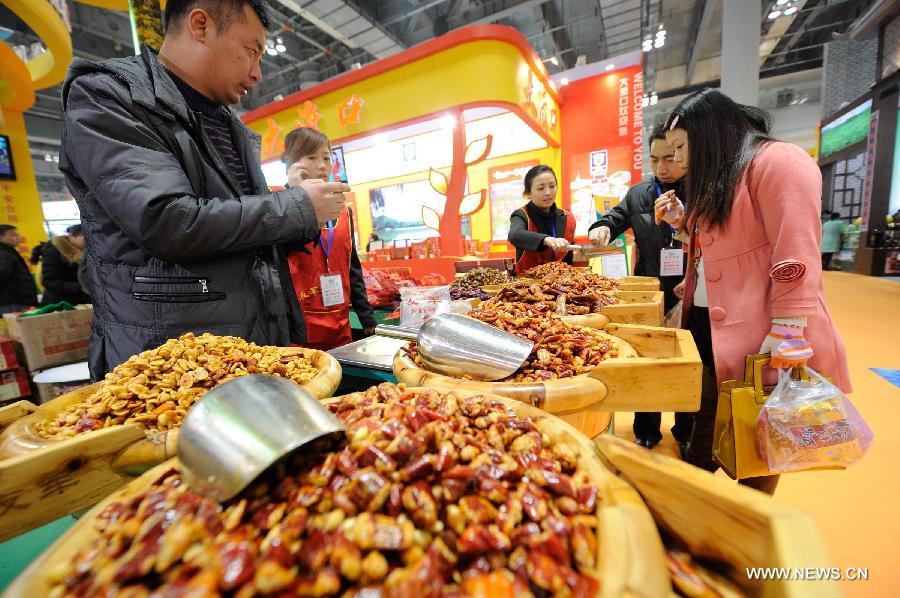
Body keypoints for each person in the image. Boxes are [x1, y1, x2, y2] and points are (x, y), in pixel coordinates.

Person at [59, 0, 350, 379]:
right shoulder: (109, 96)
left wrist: (300, 223)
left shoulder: (224, 123)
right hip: (169, 366)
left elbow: (237, 234)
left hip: (243, 353)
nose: (257, 73)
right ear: (200, 26)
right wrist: (296, 209)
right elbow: (166, 221)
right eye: (251, 51)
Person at [657, 89, 850, 494]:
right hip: (709, 326)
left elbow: (796, 249)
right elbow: (719, 247)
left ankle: (748, 524)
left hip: (762, 332)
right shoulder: (722, 177)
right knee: (707, 417)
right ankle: (700, 499)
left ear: (711, 132)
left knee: (763, 434)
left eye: (680, 146)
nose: (676, 159)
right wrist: (682, 226)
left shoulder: (778, 161)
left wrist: (789, 327)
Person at [588, 124, 691, 454]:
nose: (662, 167)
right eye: (655, 159)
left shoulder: (701, 190)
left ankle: (686, 428)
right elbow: (615, 218)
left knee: (687, 360)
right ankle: (646, 429)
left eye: (671, 158)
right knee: (647, 356)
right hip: (648, 288)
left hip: (691, 288)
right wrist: (602, 228)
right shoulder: (639, 194)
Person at [282, 127, 377, 350]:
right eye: (312, 157)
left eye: (326, 157)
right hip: (299, 331)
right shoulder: (278, 205)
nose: (322, 165)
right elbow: (285, 248)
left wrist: (366, 316)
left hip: (339, 325)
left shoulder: (343, 209)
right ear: (293, 162)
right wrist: (297, 197)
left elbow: (352, 265)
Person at [509, 165, 575, 274]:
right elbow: (514, 235)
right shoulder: (521, 215)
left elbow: (568, 258)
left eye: (552, 186)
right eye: (541, 188)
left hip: (560, 284)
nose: (548, 192)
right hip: (527, 284)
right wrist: (547, 240)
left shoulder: (568, 218)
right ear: (528, 193)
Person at [40, 224, 90, 306]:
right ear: (71, 236)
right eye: (85, 237)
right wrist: (80, 287)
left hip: (84, 303)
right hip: (60, 304)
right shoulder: (55, 252)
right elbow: (49, 281)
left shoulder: (89, 252)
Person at [0, 224, 38, 314]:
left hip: (16, 302)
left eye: (18, 235)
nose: (18, 237)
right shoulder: (4, 254)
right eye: (13, 235)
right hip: (12, 303)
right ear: (1, 237)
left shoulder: (9, 252)